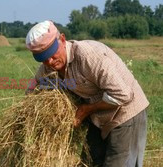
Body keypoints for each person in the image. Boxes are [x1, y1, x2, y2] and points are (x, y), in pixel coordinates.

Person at [25, 20, 149, 167]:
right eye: (43, 58)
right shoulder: (48, 66)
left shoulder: (87, 56)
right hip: (99, 117)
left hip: (126, 113)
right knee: (89, 162)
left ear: (62, 39)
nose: (50, 61)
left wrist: (85, 109)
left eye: (52, 54)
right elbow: (35, 84)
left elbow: (123, 95)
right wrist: (27, 111)